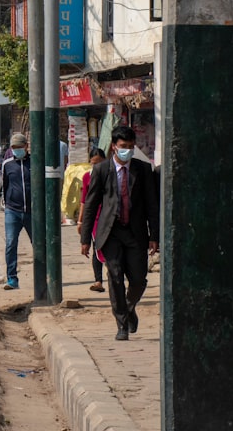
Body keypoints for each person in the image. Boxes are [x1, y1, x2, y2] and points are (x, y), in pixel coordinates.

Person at [79, 125, 160, 341]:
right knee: (114, 275)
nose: (127, 151)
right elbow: (91, 204)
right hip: (110, 233)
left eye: (131, 147)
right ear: (114, 147)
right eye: (123, 147)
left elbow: (152, 204)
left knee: (139, 279)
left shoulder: (143, 170)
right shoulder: (101, 170)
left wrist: (155, 235)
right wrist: (85, 238)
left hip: (136, 233)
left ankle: (129, 306)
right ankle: (122, 324)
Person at [0, 133, 32, 290]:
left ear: (26, 146)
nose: (17, 150)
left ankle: (42, 275)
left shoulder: (34, 162)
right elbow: (5, 186)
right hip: (12, 210)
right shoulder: (7, 164)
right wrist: (7, 204)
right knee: (11, 243)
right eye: (14, 148)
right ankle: (12, 278)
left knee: (39, 244)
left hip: (32, 212)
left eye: (20, 147)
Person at [77, 146, 108, 293]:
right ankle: (98, 281)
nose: (97, 166)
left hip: (108, 215)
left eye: (99, 162)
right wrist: (80, 221)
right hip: (94, 217)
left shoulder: (110, 174)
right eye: (94, 163)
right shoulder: (87, 177)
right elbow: (84, 201)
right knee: (97, 247)